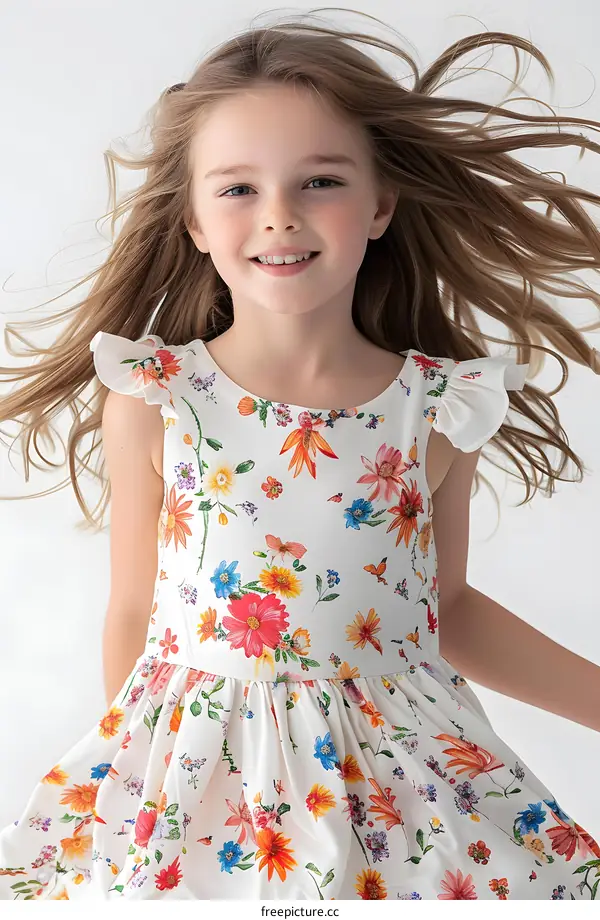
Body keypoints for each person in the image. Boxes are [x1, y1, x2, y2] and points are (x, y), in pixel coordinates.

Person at [1, 11, 599, 902]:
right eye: (238, 189)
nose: (279, 216)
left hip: (407, 792)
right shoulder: (155, 394)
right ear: (196, 221)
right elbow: (135, 610)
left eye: (319, 180)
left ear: (381, 205)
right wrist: (135, 789)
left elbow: (450, 606)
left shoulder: (440, 406)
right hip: (200, 782)